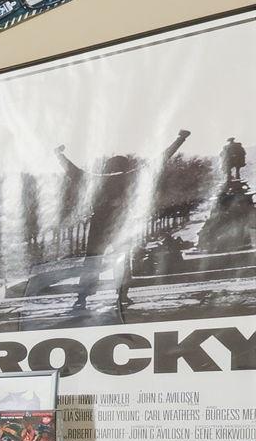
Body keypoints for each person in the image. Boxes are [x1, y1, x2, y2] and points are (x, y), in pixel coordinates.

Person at [56, 129, 190, 310]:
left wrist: (59, 155)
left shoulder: (95, 180)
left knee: (92, 262)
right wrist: (180, 139)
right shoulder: (132, 176)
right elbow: (161, 159)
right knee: (123, 261)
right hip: (120, 225)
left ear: (108, 167)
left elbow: (72, 170)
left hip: (99, 226)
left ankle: (82, 298)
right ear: (125, 166)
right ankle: (122, 295)